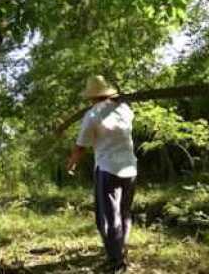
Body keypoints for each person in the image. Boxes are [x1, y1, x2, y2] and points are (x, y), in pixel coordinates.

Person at [66, 75, 137, 273]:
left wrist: (71, 164)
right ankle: (119, 250)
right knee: (124, 213)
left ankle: (116, 261)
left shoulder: (92, 114)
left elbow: (81, 147)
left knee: (107, 217)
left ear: (92, 96)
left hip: (108, 169)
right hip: (130, 168)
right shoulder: (125, 109)